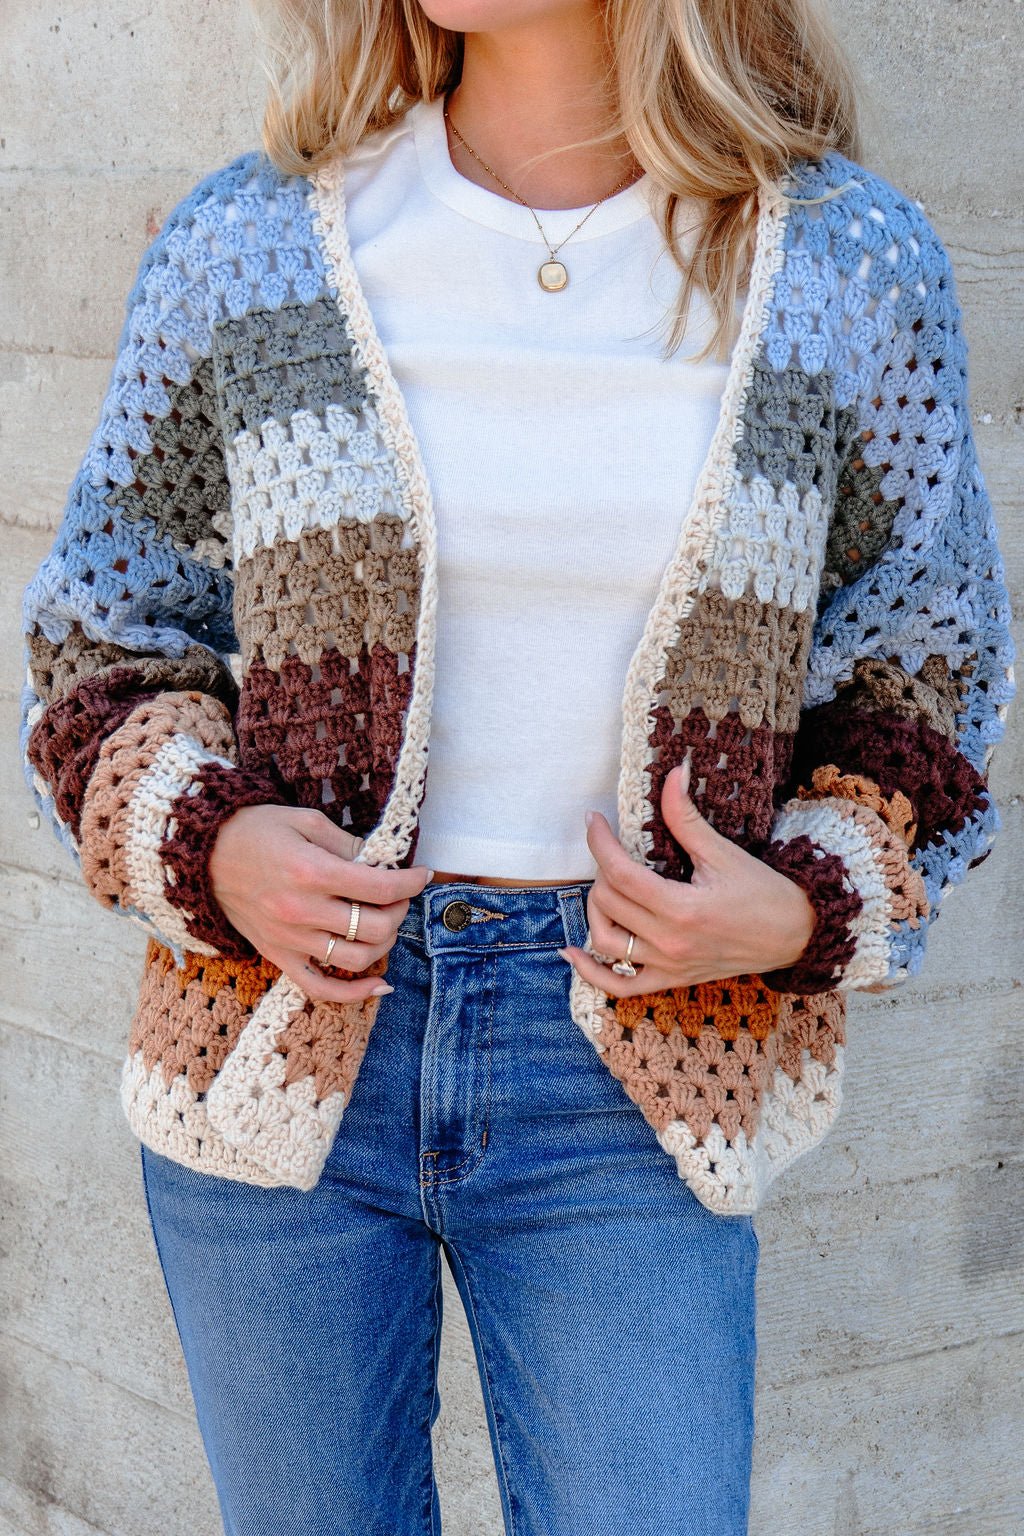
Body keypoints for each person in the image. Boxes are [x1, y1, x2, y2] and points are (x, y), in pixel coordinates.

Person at [20, 0, 1015, 1531]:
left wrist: (803, 908)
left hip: (634, 1066)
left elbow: (923, 684)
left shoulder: (840, 268)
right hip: (278, 1038)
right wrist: (214, 848)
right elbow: (101, 642)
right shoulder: (254, 243)